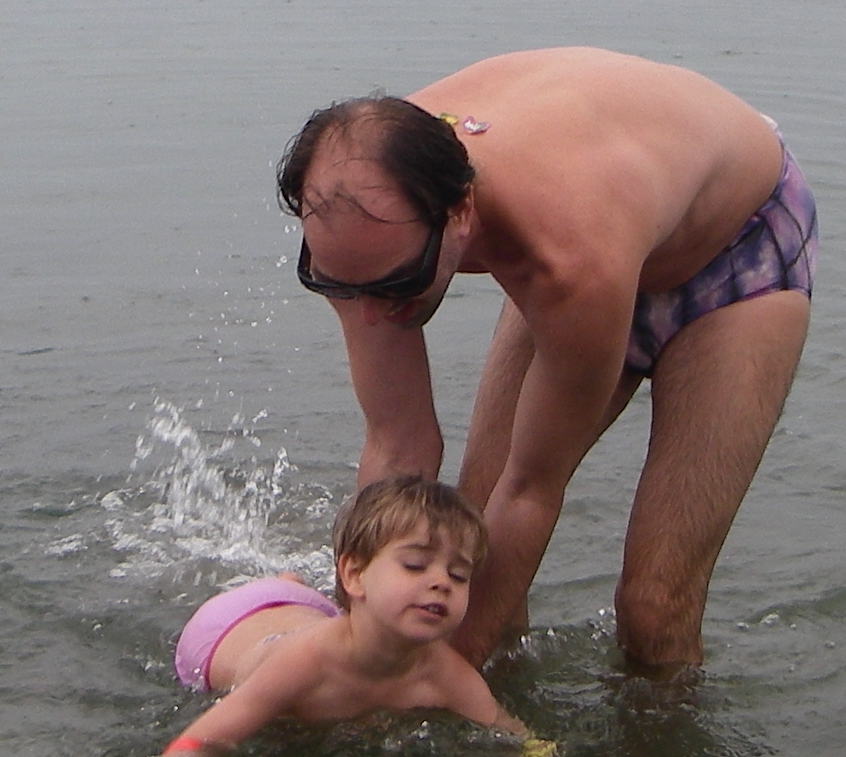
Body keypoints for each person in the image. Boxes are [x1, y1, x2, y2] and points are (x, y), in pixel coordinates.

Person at [278, 47, 814, 671]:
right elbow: (398, 444)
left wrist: (438, 680)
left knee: (653, 611)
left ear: (460, 213)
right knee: (470, 552)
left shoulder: (566, 259)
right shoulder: (353, 225)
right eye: (342, 287)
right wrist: (355, 645)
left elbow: (531, 488)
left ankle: (662, 729)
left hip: (734, 255)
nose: (370, 313)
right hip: (606, 228)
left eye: (397, 283)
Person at [118, 476, 578, 757]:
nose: (441, 582)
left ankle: (291, 586)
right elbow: (197, 739)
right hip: (224, 629)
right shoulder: (303, 665)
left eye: (458, 576)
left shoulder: (446, 675)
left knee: (312, 613)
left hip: (313, 611)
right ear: (354, 575)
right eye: (415, 565)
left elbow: (517, 738)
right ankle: (279, 586)